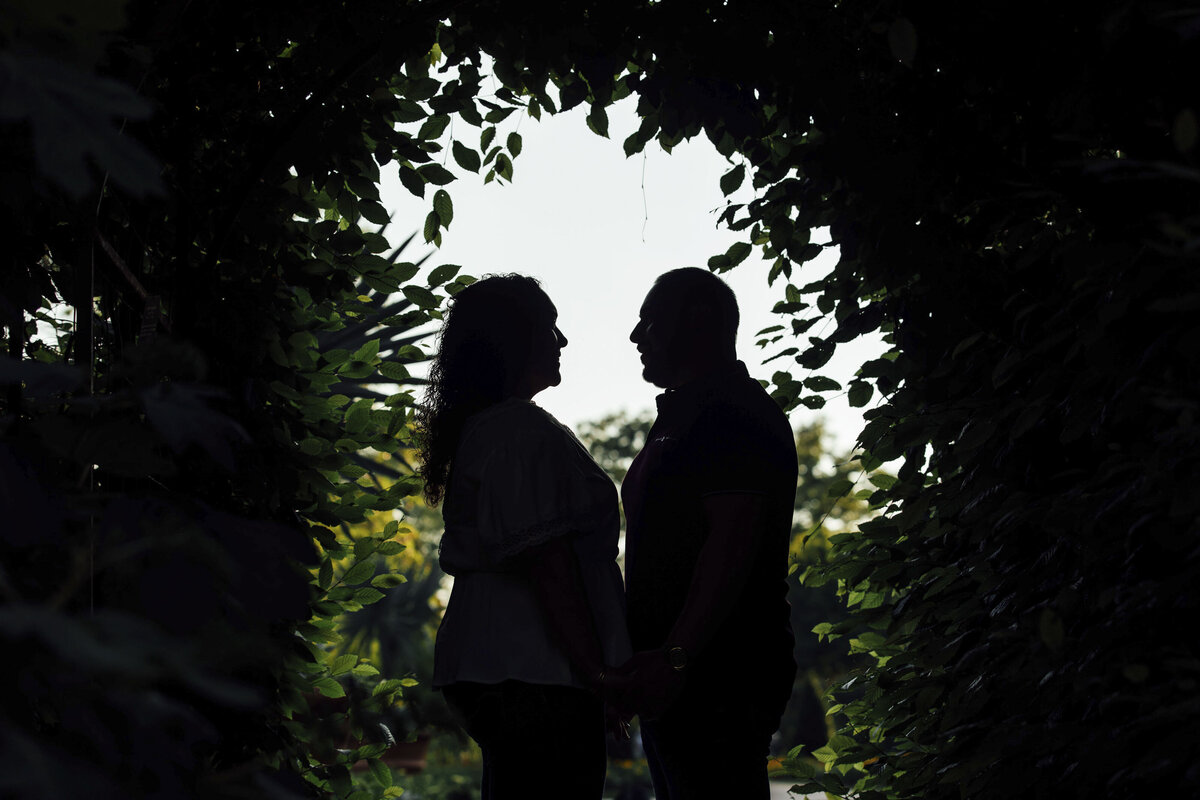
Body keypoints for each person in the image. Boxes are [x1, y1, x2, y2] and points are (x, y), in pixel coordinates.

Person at [417, 274, 631, 800]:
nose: (562, 342)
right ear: (514, 340)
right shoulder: (517, 432)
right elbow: (547, 566)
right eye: (550, 328)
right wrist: (598, 674)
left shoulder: (503, 429)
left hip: (518, 672)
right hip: (534, 674)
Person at [616, 267, 799, 799]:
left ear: (694, 321)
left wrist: (676, 655)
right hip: (680, 674)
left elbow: (731, 544)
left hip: (718, 674)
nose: (635, 336)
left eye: (650, 320)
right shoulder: (688, 412)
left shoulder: (731, 412)